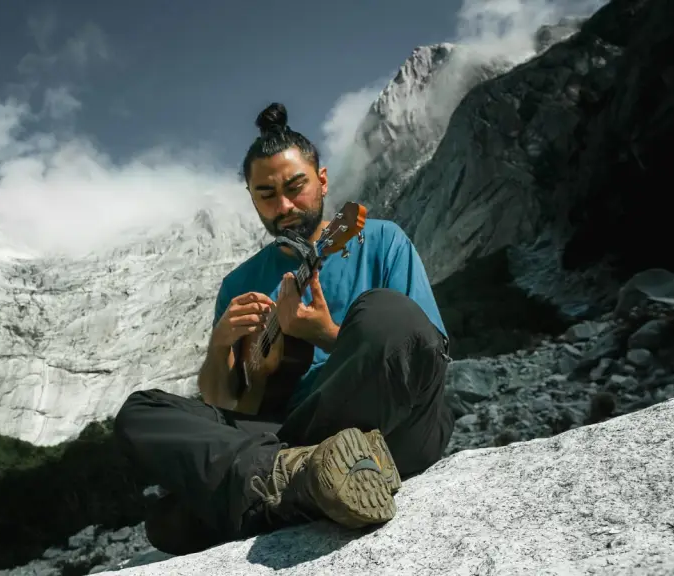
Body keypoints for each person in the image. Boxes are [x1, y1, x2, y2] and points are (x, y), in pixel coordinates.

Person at [113, 102, 454, 555]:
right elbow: (223, 400)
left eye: (296, 187)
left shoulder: (381, 238)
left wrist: (326, 334)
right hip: (288, 433)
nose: (286, 206)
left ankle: (275, 485)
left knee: (387, 313)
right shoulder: (237, 284)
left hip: (392, 421)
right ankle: (306, 475)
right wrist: (220, 346)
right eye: (267, 194)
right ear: (253, 200)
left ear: (323, 181)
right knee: (140, 411)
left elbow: (422, 349)